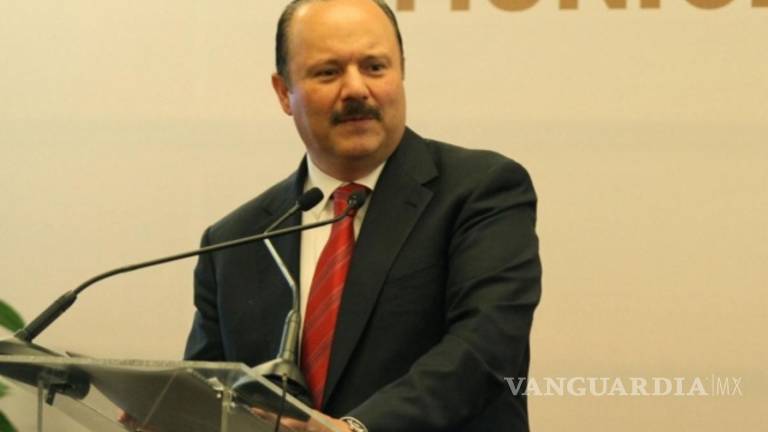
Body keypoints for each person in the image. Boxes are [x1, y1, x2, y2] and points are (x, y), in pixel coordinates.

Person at [184, 0, 542, 431]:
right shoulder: (236, 240)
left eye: (374, 67)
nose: (355, 89)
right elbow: (209, 393)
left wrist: (355, 429)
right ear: (283, 92)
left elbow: (486, 346)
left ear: (401, 72)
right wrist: (175, 414)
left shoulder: (481, 191)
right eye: (328, 72)